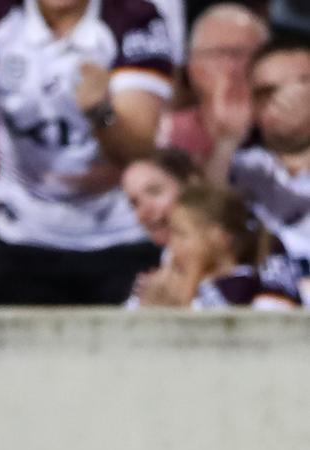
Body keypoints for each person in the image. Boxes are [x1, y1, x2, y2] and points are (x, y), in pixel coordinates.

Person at [0, 0, 177, 305]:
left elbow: (138, 152)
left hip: (119, 237)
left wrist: (100, 112)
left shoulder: (134, 18)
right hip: (22, 235)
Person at [121, 150, 300, 307]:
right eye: (134, 203)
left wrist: (168, 306)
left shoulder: (255, 270)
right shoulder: (169, 264)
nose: (144, 211)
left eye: (155, 191)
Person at [229, 37, 310, 305]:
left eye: (301, 86)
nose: (285, 101)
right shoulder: (240, 165)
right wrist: (227, 138)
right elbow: (208, 213)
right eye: (268, 92)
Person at [158, 4, 268, 180]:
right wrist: (227, 142)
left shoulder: (289, 129)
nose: (234, 68)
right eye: (221, 54)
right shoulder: (164, 135)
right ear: (192, 67)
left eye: (245, 54)